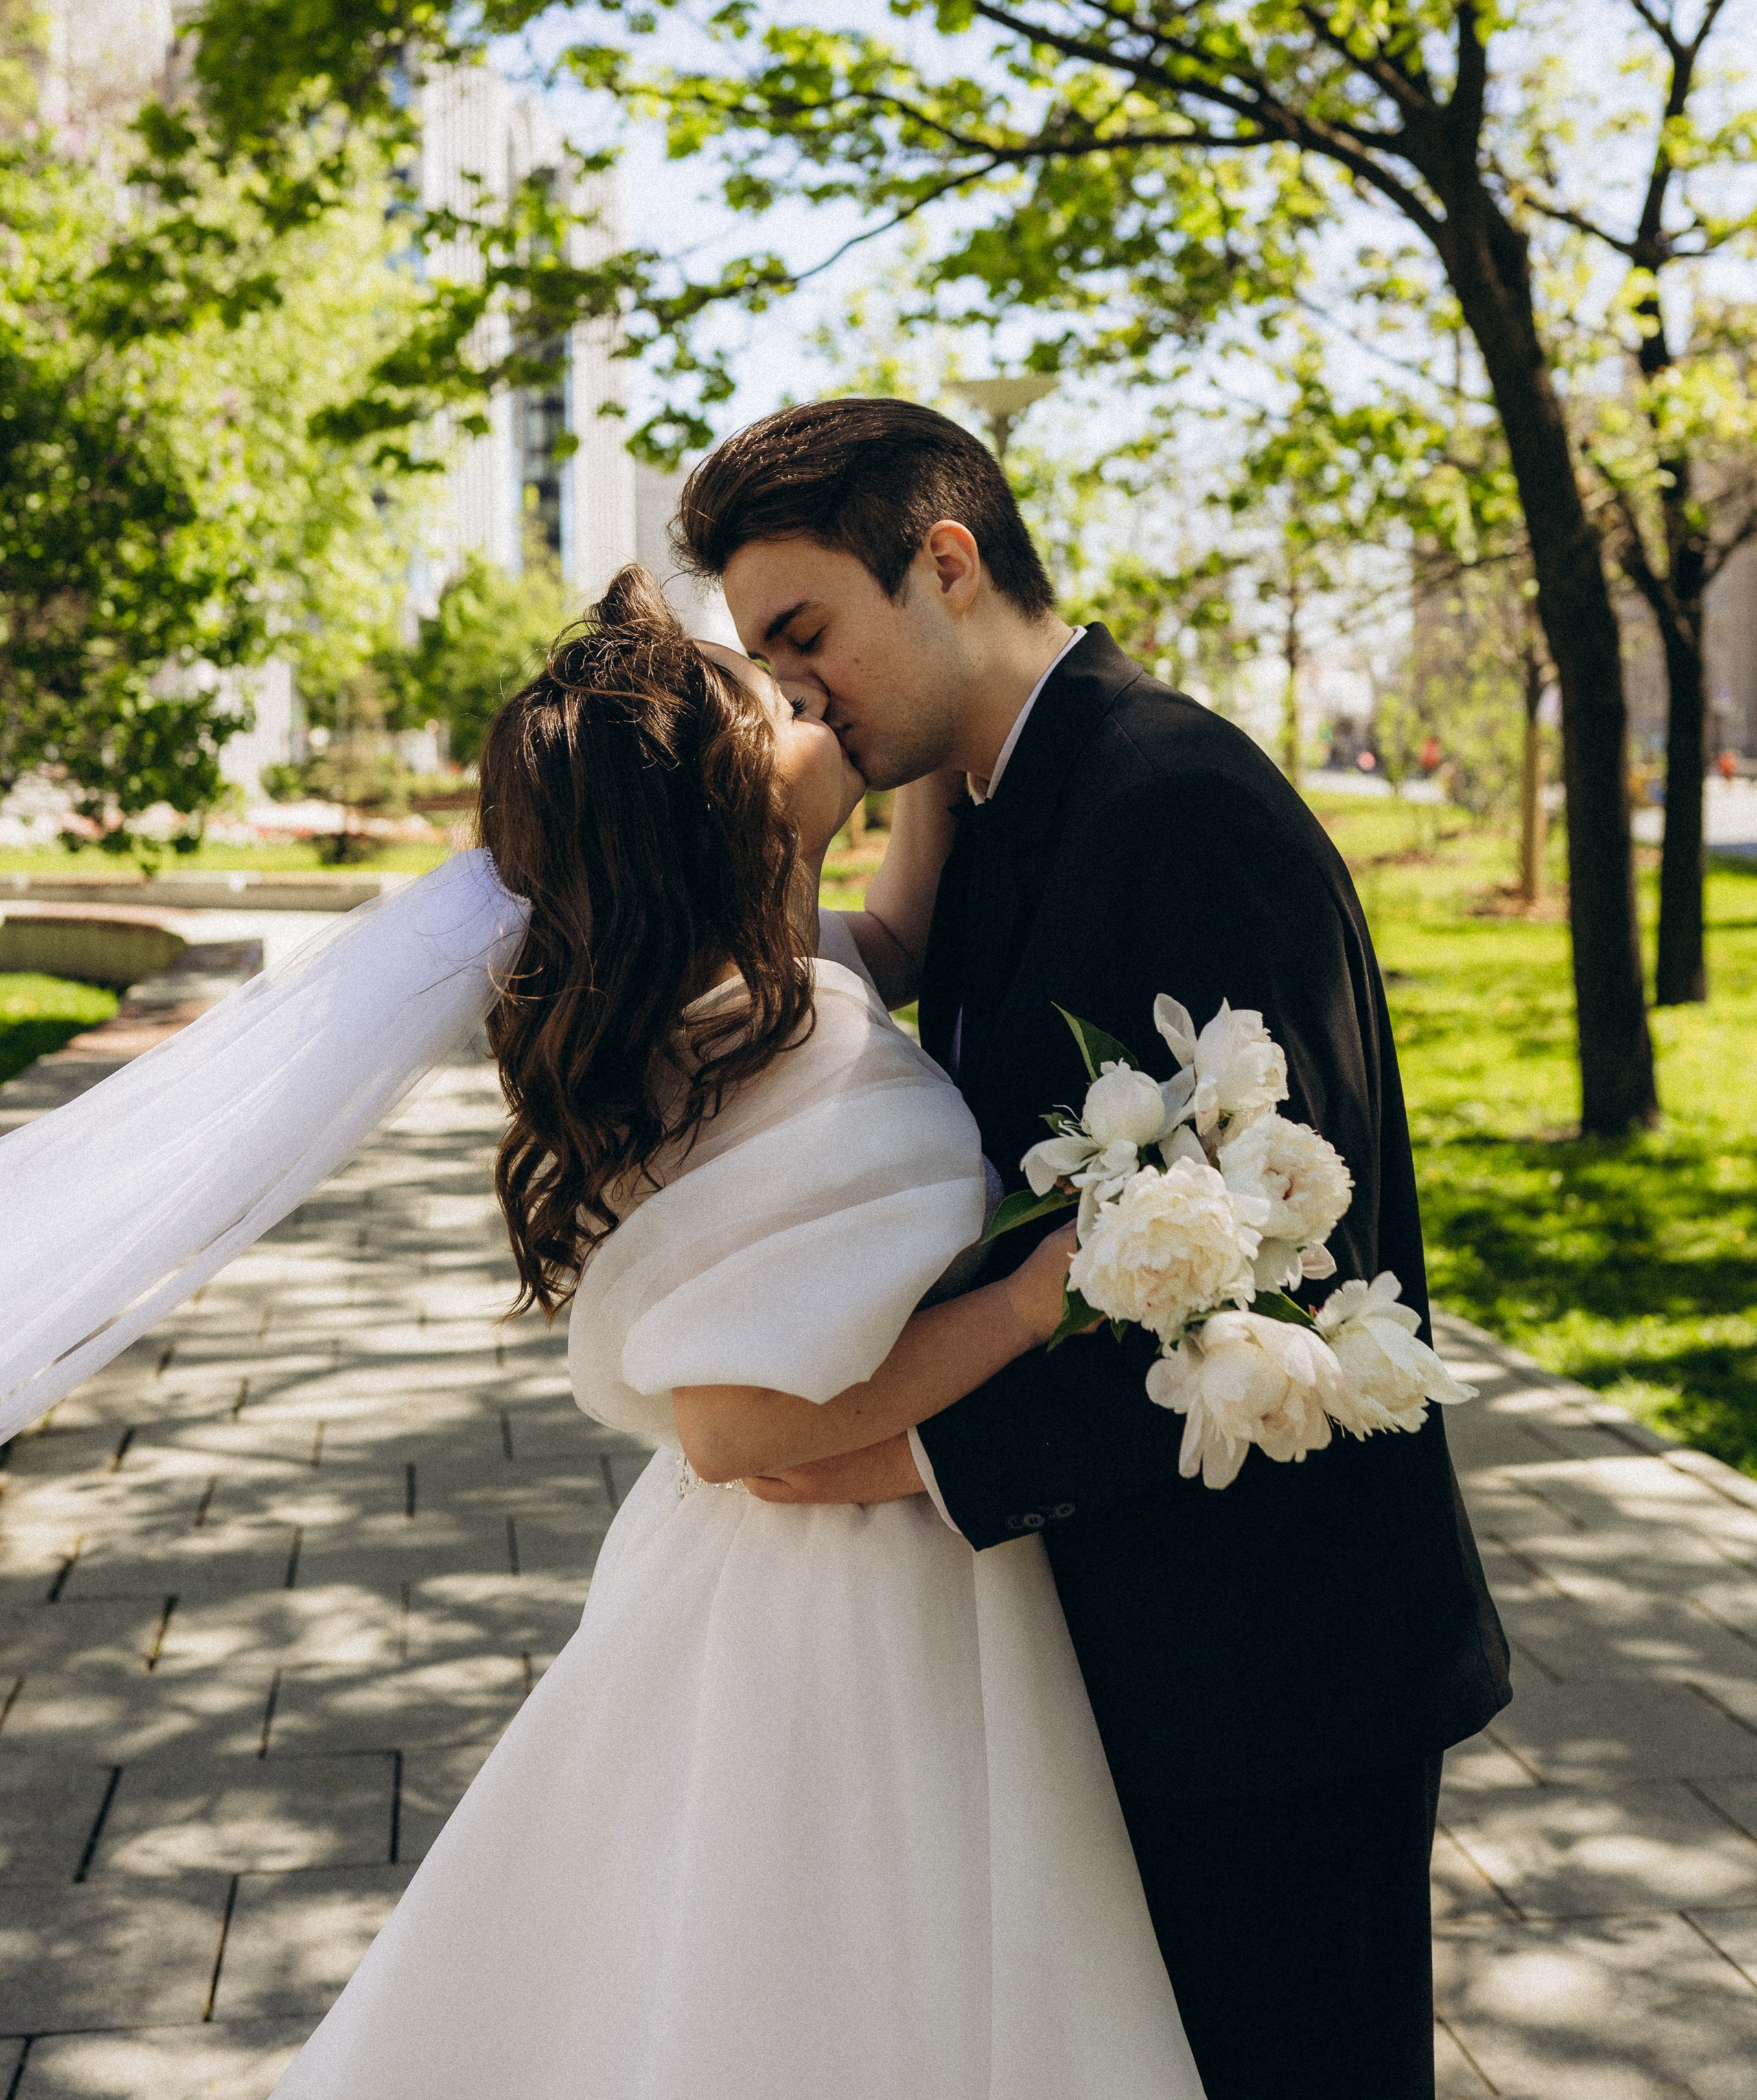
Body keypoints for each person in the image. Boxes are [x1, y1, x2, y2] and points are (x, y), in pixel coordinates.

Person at [265, 565, 1207, 2099]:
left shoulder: (755, 990)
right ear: (732, 807)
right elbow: (737, 1426)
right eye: (772, 697)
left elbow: (898, 923)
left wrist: (939, 719)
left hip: (831, 1562)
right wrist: (1033, 1300)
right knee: (847, 1958)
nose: (805, 689)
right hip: (838, 1599)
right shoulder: (770, 1041)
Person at [674, 397, 1513, 2100]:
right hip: (1134, 1650)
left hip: (1275, 1668)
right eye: (765, 659)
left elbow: (1273, 1261)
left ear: (944, 561)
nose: (796, 693)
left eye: (805, 632)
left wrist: (898, 1453)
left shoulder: (1174, 804)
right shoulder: (998, 799)